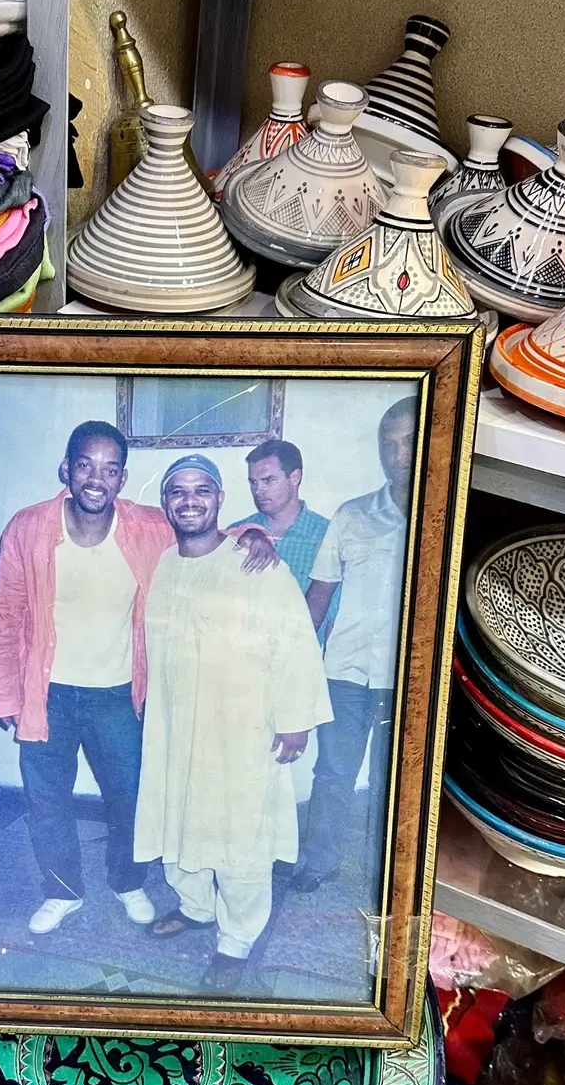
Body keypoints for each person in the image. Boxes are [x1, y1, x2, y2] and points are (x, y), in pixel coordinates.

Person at [0, 422, 277, 935]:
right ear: (67, 469)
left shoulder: (145, 527)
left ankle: (127, 882)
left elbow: (205, 537)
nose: (97, 478)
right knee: (47, 801)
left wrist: (254, 534)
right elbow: (3, 615)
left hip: (119, 696)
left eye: (110, 469)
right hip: (44, 695)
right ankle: (62, 891)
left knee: (130, 798)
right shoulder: (27, 528)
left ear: (122, 478)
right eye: (86, 466)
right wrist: (2, 694)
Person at [137, 455, 332, 991]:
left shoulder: (255, 563)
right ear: (165, 502)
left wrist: (295, 719)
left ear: (221, 499)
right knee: (178, 814)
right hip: (175, 724)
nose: (190, 501)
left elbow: (294, 640)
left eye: (202, 490)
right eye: (178, 491)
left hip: (242, 726)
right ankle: (196, 906)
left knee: (240, 830)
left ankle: (237, 939)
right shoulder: (163, 563)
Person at [295, 395, 416, 894]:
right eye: (388, 444)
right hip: (344, 673)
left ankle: (388, 869)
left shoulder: (446, 515)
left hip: (405, 678)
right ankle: (320, 861)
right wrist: (295, 662)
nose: (398, 455)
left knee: (397, 779)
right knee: (332, 773)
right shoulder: (351, 515)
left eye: (408, 442)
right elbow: (319, 595)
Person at [234, 439, 330, 592]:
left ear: (295, 477)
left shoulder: (327, 536)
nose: (258, 491)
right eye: (253, 482)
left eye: (268, 480)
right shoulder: (237, 533)